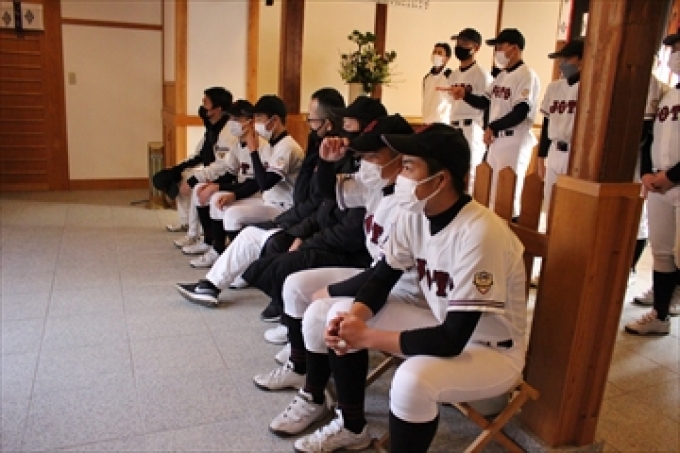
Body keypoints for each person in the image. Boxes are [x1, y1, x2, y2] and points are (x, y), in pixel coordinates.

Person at [281, 124, 526, 453]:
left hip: (491, 351)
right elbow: (382, 277)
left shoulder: (480, 233)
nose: (400, 175)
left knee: (411, 380)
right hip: (442, 326)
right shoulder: (418, 214)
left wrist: (366, 337)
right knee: (340, 312)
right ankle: (352, 428)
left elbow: (452, 339)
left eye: (409, 166)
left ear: (440, 179)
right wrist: (354, 320)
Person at [174, 95, 386, 322]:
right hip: (300, 214)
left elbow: (273, 185)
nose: (310, 124)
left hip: (291, 210)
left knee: (257, 233)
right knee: (246, 228)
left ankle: (259, 287)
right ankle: (215, 278)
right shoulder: (326, 151)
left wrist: (299, 232)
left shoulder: (296, 148)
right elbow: (323, 198)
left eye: (312, 120)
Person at [252, 115, 417, 400]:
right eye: (363, 156)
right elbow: (326, 192)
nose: (365, 163)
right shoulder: (375, 186)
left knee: (324, 310)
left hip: (394, 285)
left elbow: (388, 272)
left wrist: (331, 291)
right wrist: (326, 162)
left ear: (401, 158)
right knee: (294, 284)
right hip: (376, 273)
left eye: (373, 156)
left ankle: (322, 398)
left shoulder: (411, 203)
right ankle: (299, 366)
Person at [188, 95, 304, 268]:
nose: (256, 123)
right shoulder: (272, 144)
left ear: (274, 120)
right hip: (269, 200)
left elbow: (263, 183)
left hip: (283, 206)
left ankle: (245, 263)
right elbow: (255, 179)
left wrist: (253, 151)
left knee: (232, 215)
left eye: (259, 118)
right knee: (222, 205)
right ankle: (222, 252)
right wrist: (227, 190)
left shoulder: (286, 147)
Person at [626, 30, 680, 335]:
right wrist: (647, 173)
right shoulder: (669, 95)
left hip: (675, 181)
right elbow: (650, 139)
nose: (674, 55)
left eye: (678, 48)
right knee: (662, 252)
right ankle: (660, 315)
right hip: (659, 182)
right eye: (672, 49)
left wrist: (671, 176)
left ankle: (671, 300)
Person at [452, 28, 540, 216]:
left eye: (500, 46)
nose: (497, 51)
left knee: (508, 195)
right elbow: (485, 102)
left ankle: (512, 231)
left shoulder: (526, 75)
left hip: (514, 138)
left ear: (514, 48)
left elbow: (521, 111)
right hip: (496, 139)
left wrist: (493, 127)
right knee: (492, 195)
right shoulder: (501, 75)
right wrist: (465, 95)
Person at [174, 100, 268, 266]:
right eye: (230, 118)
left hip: (258, 194)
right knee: (200, 189)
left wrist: (220, 188)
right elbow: (230, 172)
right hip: (242, 187)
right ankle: (208, 241)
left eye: (236, 119)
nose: (232, 123)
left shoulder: (262, 145)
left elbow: (257, 183)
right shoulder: (238, 144)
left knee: (217, 198)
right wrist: (212, 185)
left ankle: (218, 249)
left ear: (250, 121)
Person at [154, 87, 232, 234]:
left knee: (191, 181)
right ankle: (185, 222)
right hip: (211, 169)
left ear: (218, 109)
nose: (202, 105)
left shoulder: (227, 132)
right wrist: (176, 168)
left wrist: (194, 180)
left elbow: (222, 166)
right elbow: (199, 155)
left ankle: (197, 229)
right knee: (180, 176)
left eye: (206, 102)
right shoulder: (212, 128)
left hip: (225, 175)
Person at [536, 39, 583, 212]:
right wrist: (541, 157)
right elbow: (547, 123)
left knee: (569, 209)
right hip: (555, 150)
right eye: (561, 59)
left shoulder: (589, 89)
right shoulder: (554, 87)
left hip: (575, 153)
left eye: (568, 58)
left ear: (582, 60)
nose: (563, 63)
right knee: (550, 206)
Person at [447, 28, 493, 190]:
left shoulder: (482, 74)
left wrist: (465, 95)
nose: (460, 46)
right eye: (458, 42)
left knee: (471, 173)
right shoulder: (453, 75)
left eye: (465, 42)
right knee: (453, 171)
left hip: (471, 126)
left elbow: (485, 103)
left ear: (476, 47)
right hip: (454, 126)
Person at [422, 42, 453, 124]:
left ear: (447, 58)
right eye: (434, 52)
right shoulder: (426, 78)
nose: (436, 55)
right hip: (427, 122)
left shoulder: (450, 76)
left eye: (439, 53)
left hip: (443, 122)